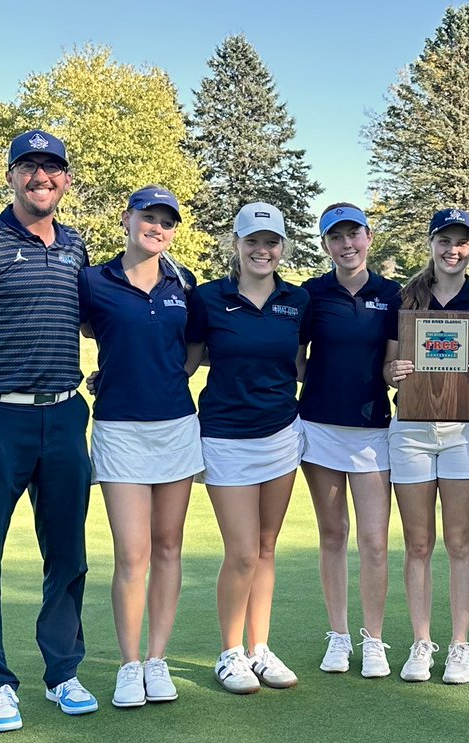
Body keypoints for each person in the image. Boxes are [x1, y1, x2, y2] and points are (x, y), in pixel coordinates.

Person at [0, 129, 97, 732]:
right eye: (28, 167)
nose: (41, 177)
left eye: (52, 168)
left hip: (64, 415)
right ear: (10, 176)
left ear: (66, 180)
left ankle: (63, 673)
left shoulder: (75, 246)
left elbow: (91, 320)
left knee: (68, 554)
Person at [77, 185, 201, 707]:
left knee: (169, 547)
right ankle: (129, 665)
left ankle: (157, 660)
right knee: (133, 553)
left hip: (176, 427)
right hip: (120, 429)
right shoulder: (93, 280)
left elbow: (194, 348)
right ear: (127, 219)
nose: (157, 228)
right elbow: (86, 328)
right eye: (148, 217)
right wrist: (110, 376)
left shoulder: (184, 282)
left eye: (167, 222)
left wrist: (168, 377)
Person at [185, 203, 310, 694]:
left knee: (265, 547)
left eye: (271, 242)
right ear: (235, 245)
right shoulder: (208, 299)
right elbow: (185, 363)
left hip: (280, 435)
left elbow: (301, 363)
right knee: (241, 552)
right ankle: (230, 652)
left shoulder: (297, 300)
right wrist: (112, 377)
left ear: (282, 247)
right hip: (226, 437)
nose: (262, 250)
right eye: (252, 241)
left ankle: (260, 649)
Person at [382, 209, 469, 684]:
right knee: (417, 544)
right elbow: (389, 366)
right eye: (444, 240)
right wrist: (393, 373)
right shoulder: (404, 297)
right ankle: (421, 643)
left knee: (459, 542)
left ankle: (459, 645)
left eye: (462, 241)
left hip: (464, 433)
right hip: (410, 432)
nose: (452, 250)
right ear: (431, 244)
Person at [299, 203, 402, 678]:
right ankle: (339, 636)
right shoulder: (311, 293)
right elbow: (296, 359)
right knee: (333, 534)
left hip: (373, 428)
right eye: (336, 237)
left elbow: (396, 360)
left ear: (368, 237)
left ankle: (373, 639)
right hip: (319, 427)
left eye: (353, 234)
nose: (347, 245)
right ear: (325, 244)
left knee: (375, 541)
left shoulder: (393, 294)